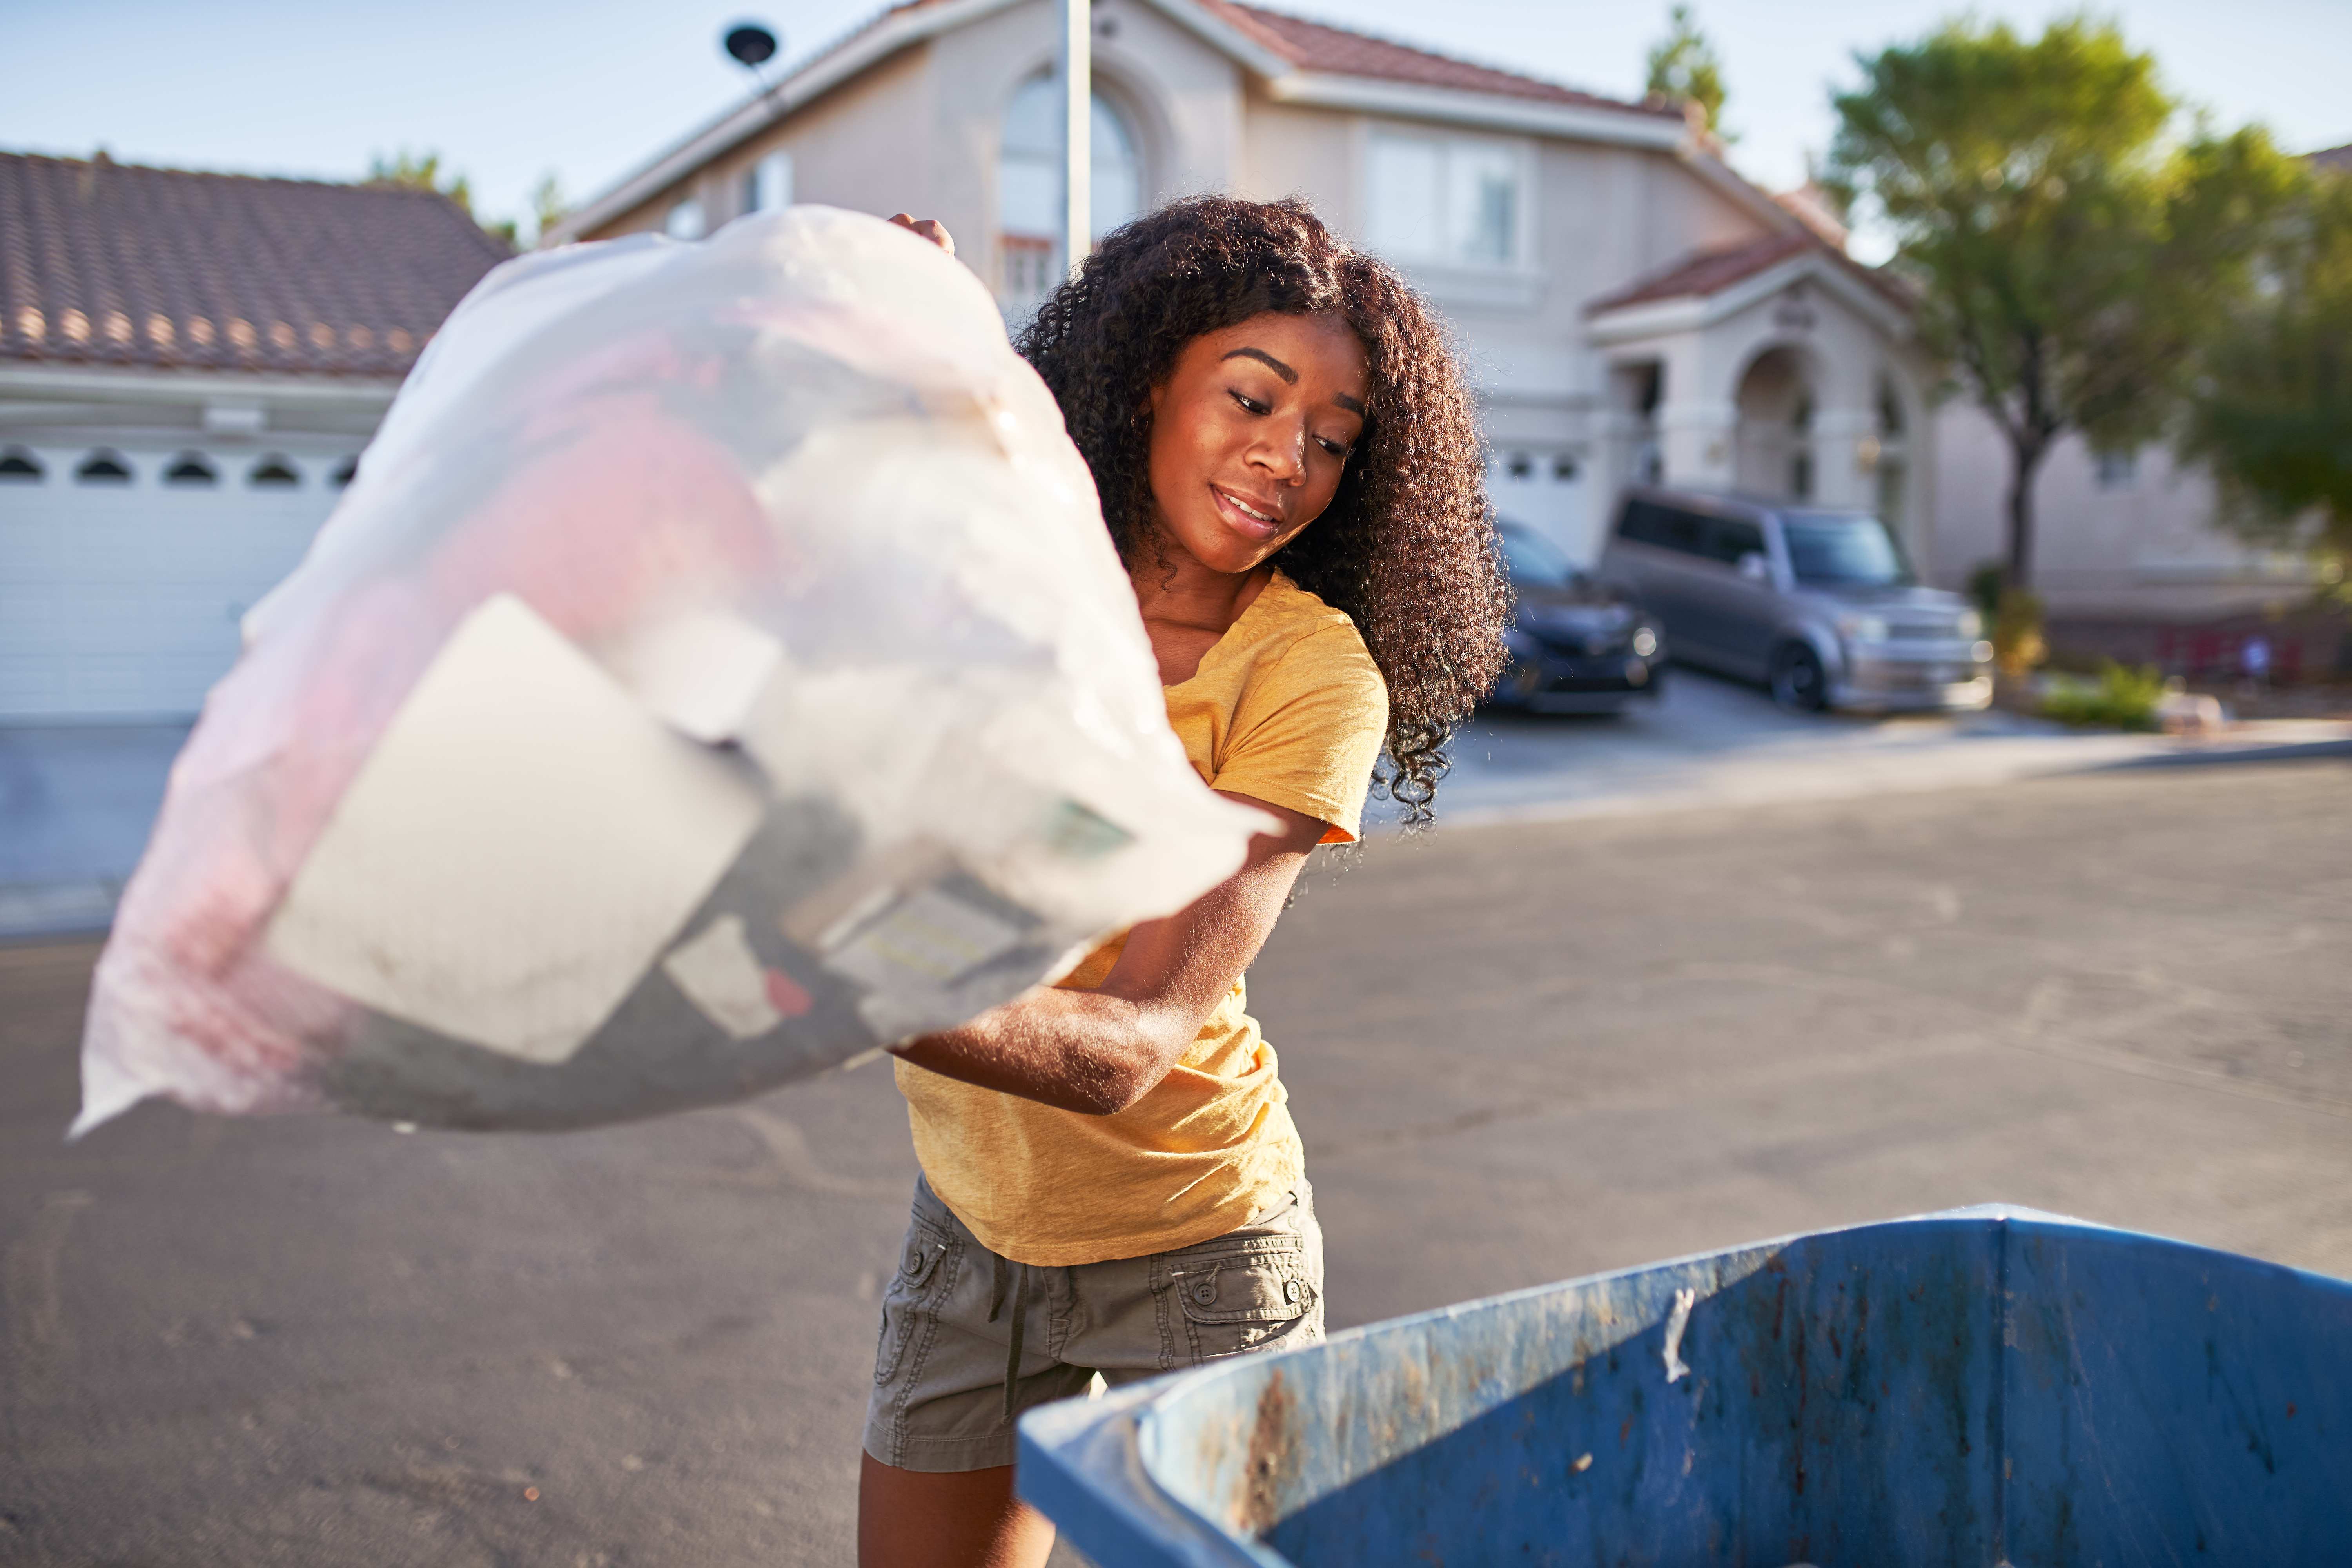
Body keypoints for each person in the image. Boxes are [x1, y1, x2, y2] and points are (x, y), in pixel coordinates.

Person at [863, 197, 1507, 1568]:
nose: (1286, 460)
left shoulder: (1311, 672)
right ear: (1152, 375)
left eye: (1332, 442)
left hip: (1202, 1241)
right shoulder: (1016, 575)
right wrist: (903, 344)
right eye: (1253, 399)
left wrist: (832, 990)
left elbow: (1132, 1047)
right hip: (975, 1221)